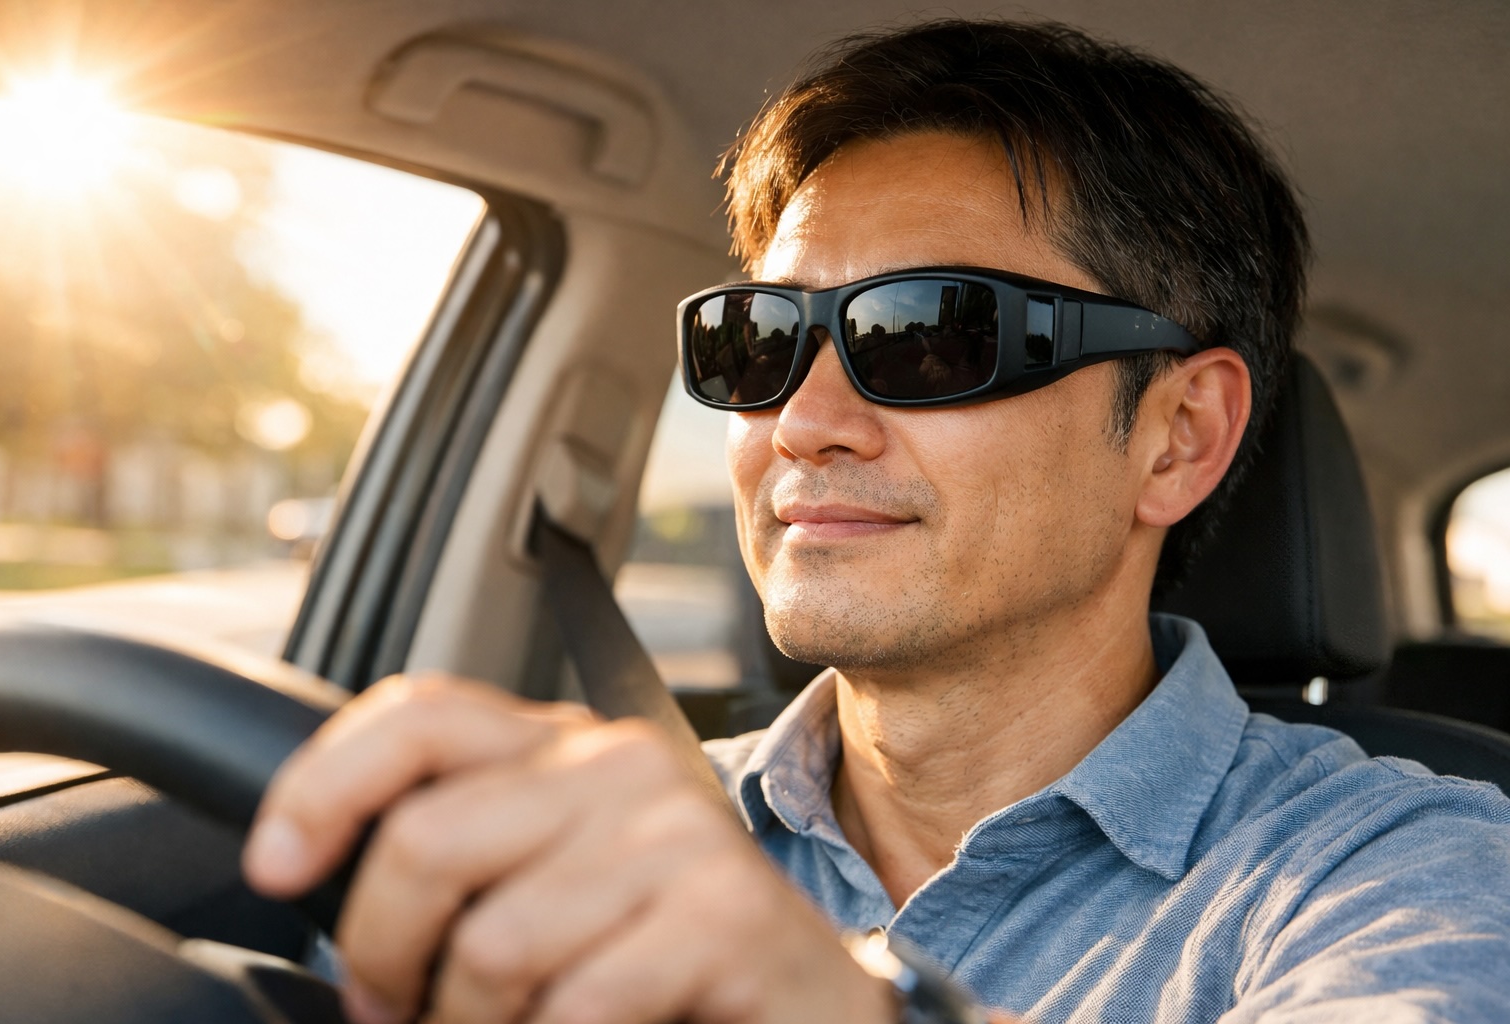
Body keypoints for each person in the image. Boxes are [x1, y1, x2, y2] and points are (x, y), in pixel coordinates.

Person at [242, 19, 1510, 1024]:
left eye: (929, 335)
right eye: (762, 339)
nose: (803, 420)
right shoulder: (594, 843)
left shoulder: (1413, 867)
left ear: (1177, 436)